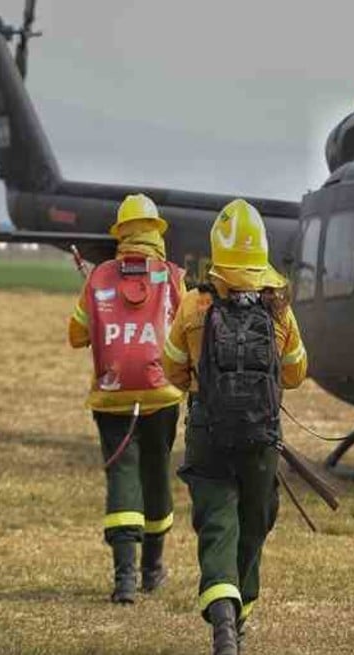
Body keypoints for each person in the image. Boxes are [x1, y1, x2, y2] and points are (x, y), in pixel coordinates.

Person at [162, 199, 307, 655]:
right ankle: (240, 613)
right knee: (253, 523)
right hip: (260, 438)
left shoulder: (193, 305)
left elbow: (171, 369)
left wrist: (202, 384)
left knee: (217, 520)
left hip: (208, 433)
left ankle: (222, 614)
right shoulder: (278, 308)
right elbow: (296, 372)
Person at [67, 193, 187, 604]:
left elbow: (76, 335)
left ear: (121, 234)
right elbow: (188, 331)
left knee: (122, 475)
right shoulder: (172, 275)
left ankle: (124, 581)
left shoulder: (99, 276)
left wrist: (97, 301)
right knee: (156, 474)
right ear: (156, 232)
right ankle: (153, 569)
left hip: (112, 396)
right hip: (162, 394)